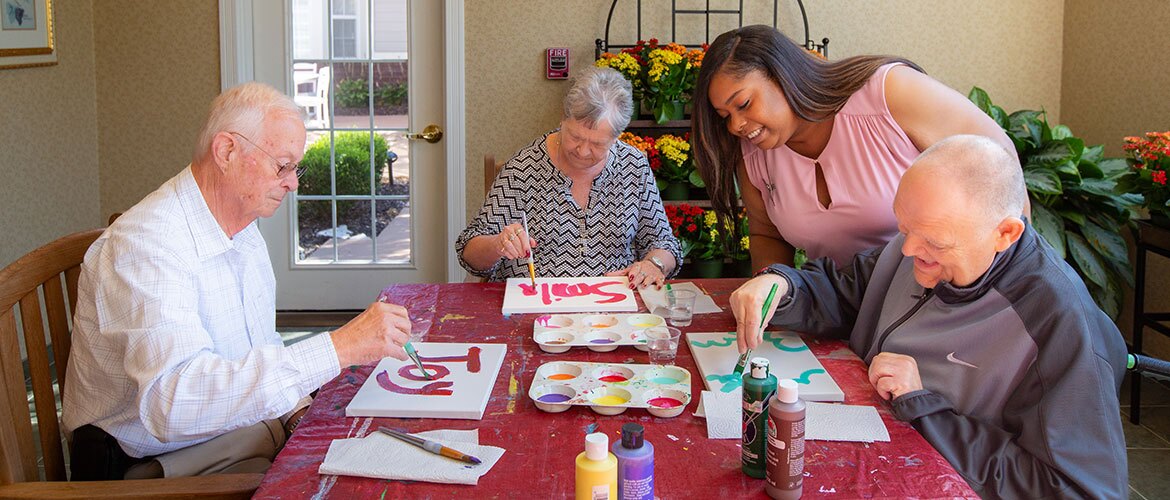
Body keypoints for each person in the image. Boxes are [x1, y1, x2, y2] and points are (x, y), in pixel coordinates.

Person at [730, 135, 1127, 499]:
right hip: (866, 455)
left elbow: (1074, 489)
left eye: (934, 243)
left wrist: (925, 406)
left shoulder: (1056, 323)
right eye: (905, 229)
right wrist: (782, 286)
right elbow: (845, 291)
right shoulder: (919, 244)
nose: (907, 252)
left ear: (1004, 234)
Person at [62, 82, 413, 480]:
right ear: (227, 151)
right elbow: (173, 404)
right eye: (281, 166)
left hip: (232, 435)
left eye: (295, 167)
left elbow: (258, 343)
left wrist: (298, 416)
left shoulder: (239, 225)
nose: (293, 183)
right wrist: (340, 346)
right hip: (151, 471)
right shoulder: (145, 246)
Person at [692, 25, 1023, 271]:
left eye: (745, 103)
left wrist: (1004, 281)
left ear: (783, 75)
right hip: (847, 312)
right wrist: (772, 297)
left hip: (941, 303)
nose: (736, 125)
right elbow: (767, 235)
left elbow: (998, 162)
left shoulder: (889, 92)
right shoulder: (753, 152)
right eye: (725, 116)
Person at [457, 67, 682, 288]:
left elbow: (664, 243)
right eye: (575, 136)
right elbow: (469, 253)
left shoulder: (633, 166)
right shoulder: (524, 168)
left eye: (597, 144)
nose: (582, 151)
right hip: (535, 307)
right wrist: (498, 244)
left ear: (617, 137)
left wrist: (654, 264)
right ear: (563, 119)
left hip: (613, 309)